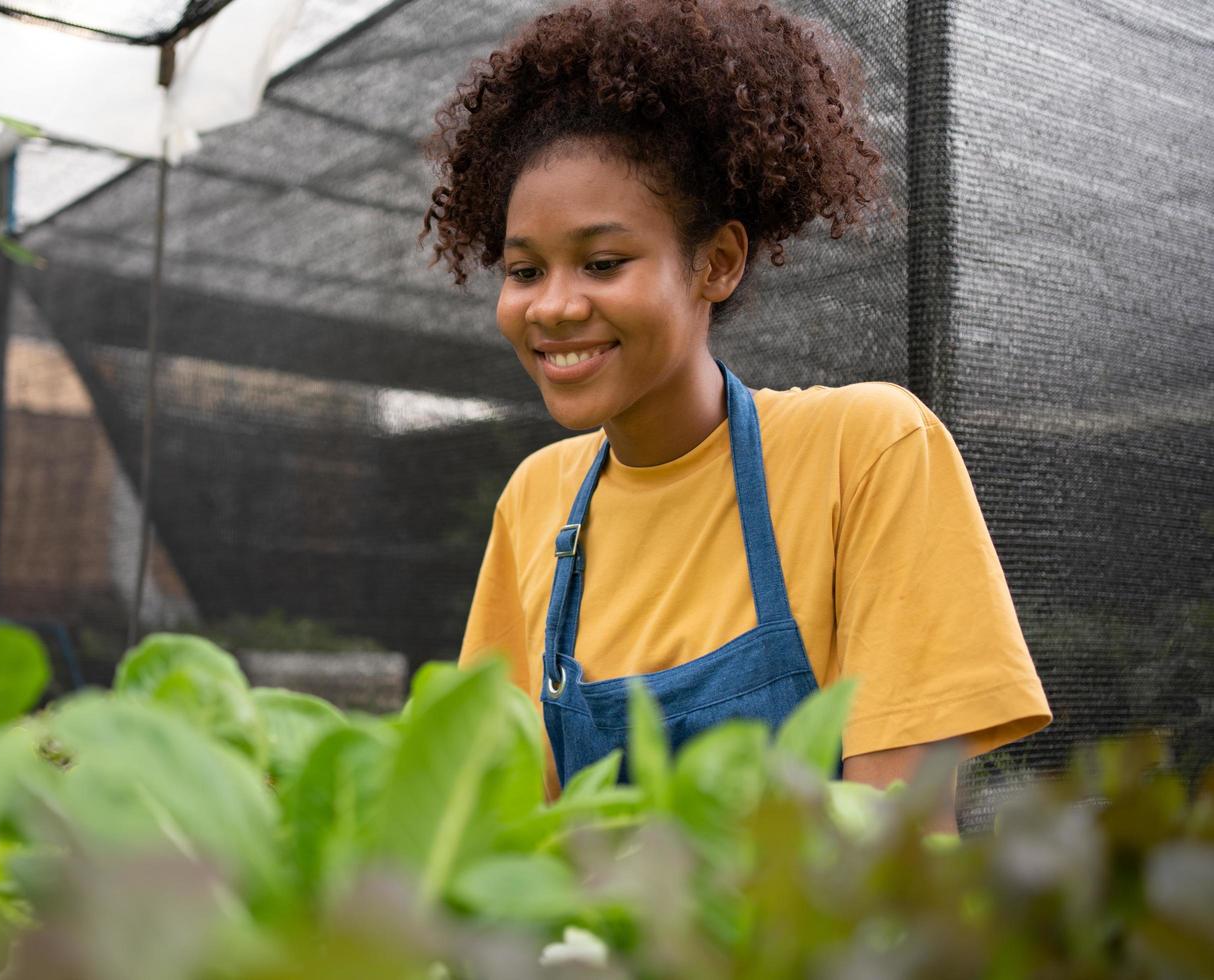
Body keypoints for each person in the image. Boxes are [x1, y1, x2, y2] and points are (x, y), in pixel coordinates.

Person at [420, 0, 1051, 832]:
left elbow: (900, 851)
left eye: (603, 262)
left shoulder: (866, 452)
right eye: (525, 270)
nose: (555, 306)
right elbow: (500, 836)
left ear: (715, 263)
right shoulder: (536, 503)